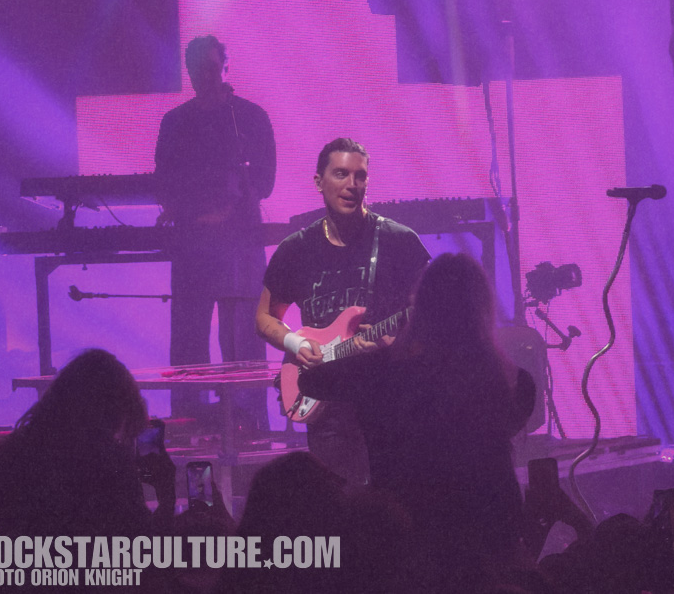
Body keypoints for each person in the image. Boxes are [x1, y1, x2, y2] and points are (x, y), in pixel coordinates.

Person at [297, 252, 536, 590]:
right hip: (491, 531)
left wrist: (375, 354)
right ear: (483, 309)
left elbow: (310, 381)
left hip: (404, 535)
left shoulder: (383, 373)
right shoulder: (516, 383)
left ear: (420, 307)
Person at [256, 137, 429, 484]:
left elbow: (433, 313)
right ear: (319, 182)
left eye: (360, 176)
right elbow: (264, 317)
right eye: (340, 174)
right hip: (327, 406)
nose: (352, 185)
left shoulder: (399, 241)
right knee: (339, 508)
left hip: (390, 399)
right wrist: (294, 344)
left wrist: (397, 341)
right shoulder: (296, 250)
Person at [155, 35, 276, 422]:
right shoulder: (175, 122)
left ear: (226, 68)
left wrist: (227, 207)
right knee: (189, 338)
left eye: (211, 68)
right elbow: (164, 182)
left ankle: (250, 423)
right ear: (188, 73)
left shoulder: (250, 117)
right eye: (197, 70)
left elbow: (266, 181)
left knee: (242, 339)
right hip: (193, 245)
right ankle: (188, 423)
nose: (205, 77)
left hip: (240, 245)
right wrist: (186, 210)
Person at [0, 349, 175, 538]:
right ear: (112, 414)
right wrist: (166, 497)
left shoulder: (14, 451)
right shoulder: (109, 464)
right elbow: (147, 550)